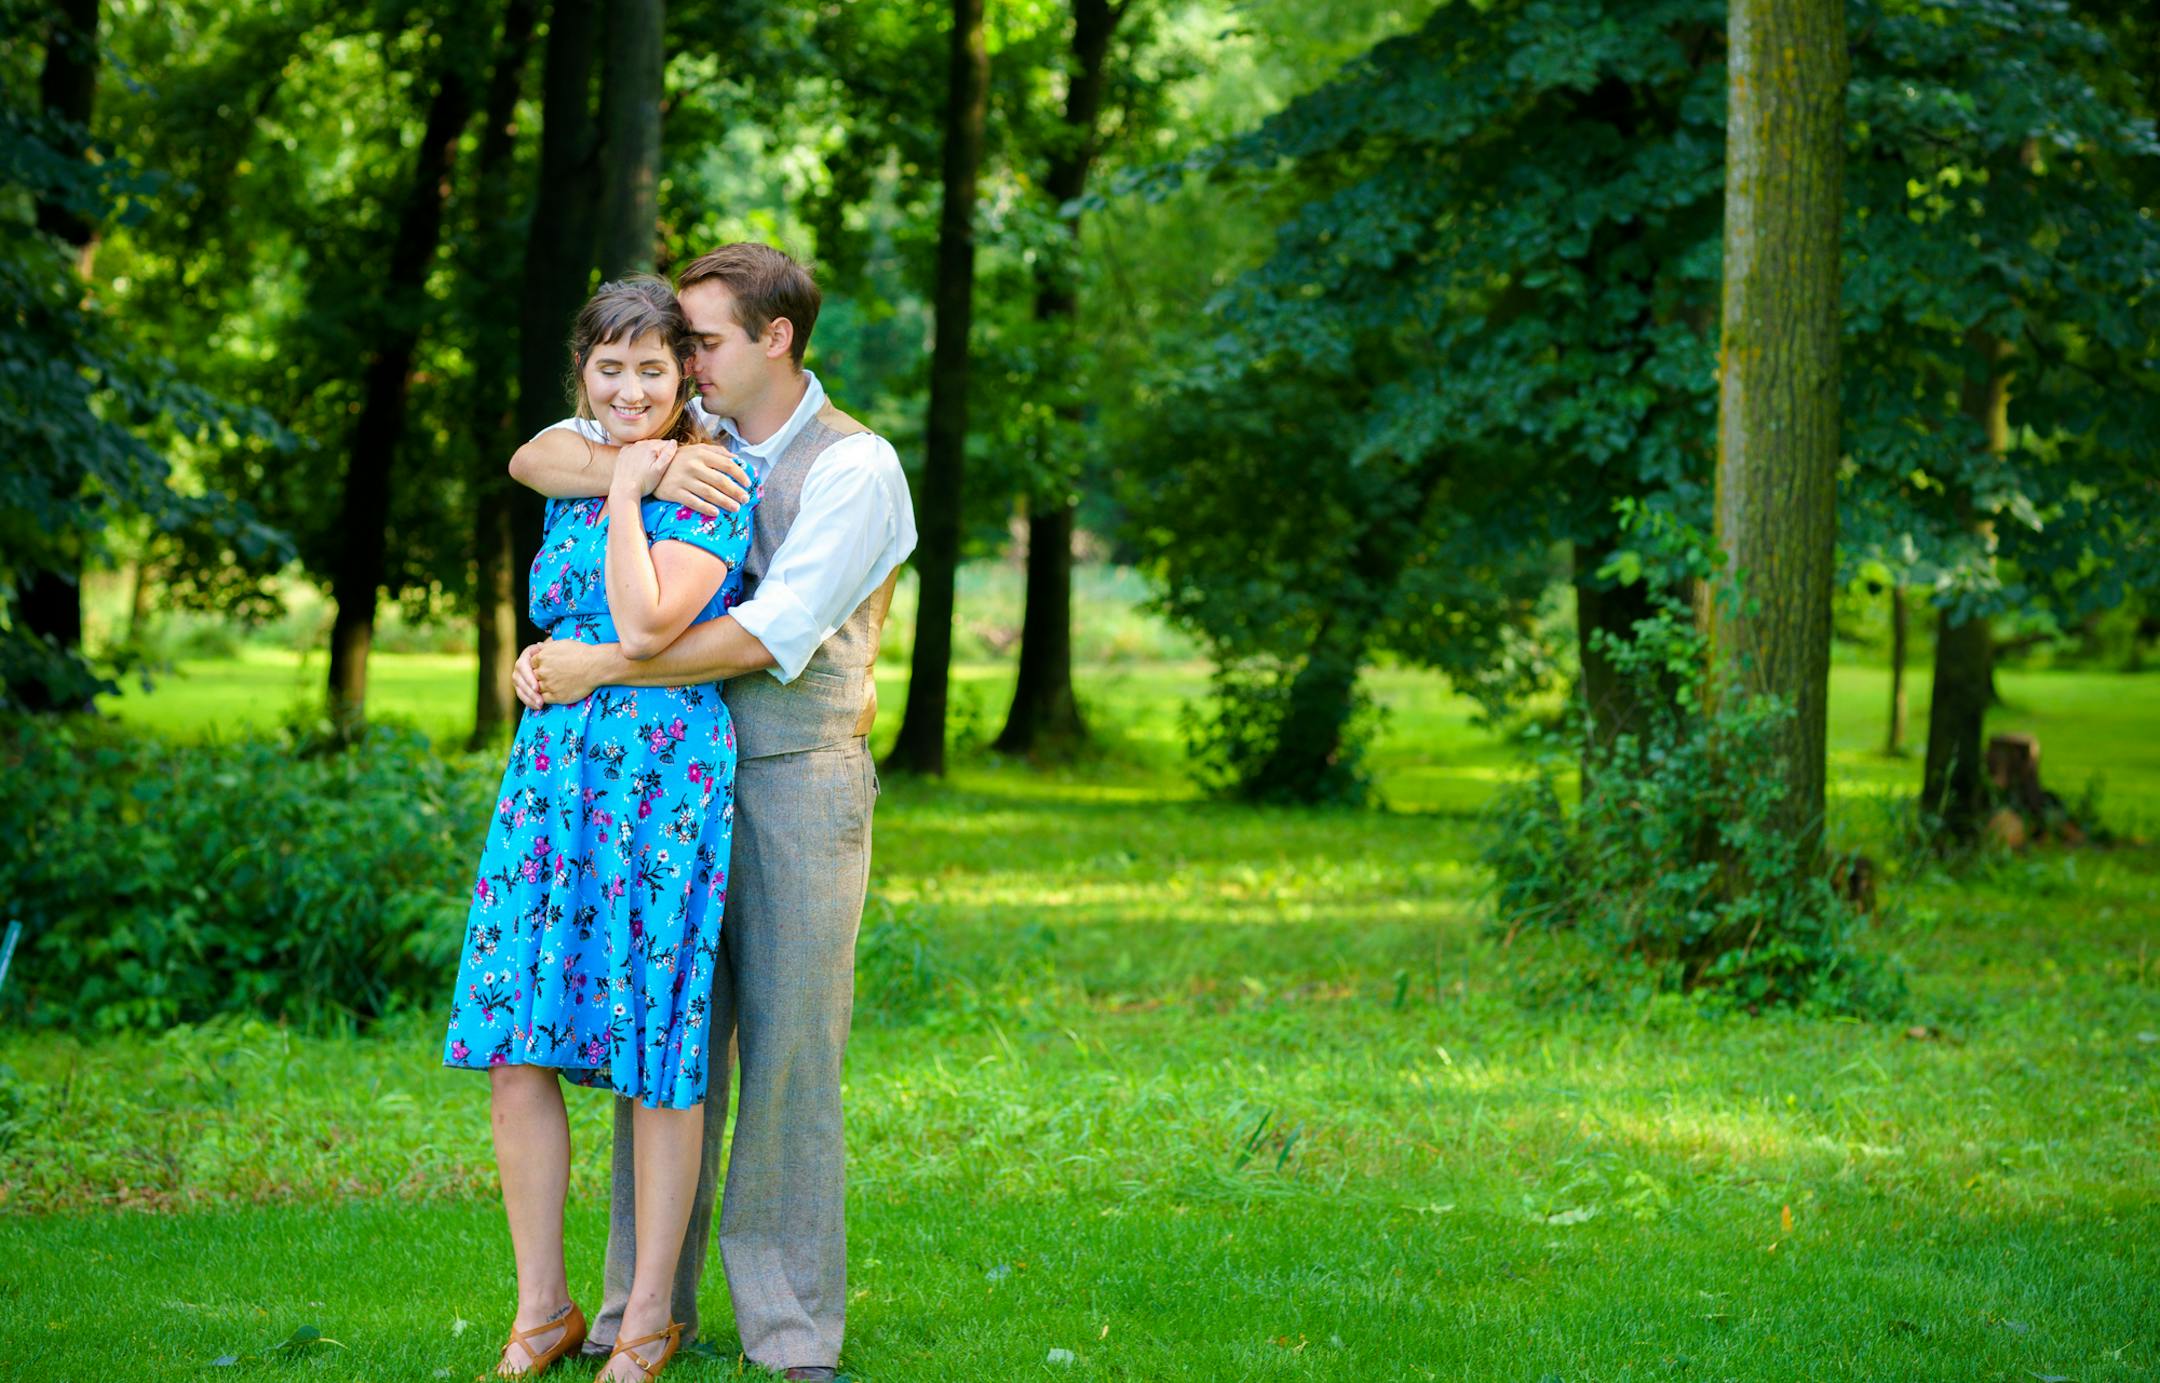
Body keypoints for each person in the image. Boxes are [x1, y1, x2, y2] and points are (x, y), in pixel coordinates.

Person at [508, 243, 916, 1382]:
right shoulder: (690, 444)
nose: (680, 364)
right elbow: (540, 454)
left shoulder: (855, 467)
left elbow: (765, 635)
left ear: (774, 339)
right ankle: (643, 1311)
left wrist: (591, 666)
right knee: (664, 1043)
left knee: (787, 1053)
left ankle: (791, 1332)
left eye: (702, 343)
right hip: (664, 784)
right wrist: (628, 472)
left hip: (793, 780)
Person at [443, 276, 760, 1381]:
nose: (629, 389)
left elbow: (640, 618)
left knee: (656, 1049)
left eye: (654, 369)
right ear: (584, 371)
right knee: (516, 1036)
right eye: (608, 368)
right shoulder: (578, 459)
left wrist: (635, 491)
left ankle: (648, 1323)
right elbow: (532, 455)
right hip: (554, 775)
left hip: (660, 776)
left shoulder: (721, 480)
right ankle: (544, 1310)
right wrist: (630, 465)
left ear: (686, 377)